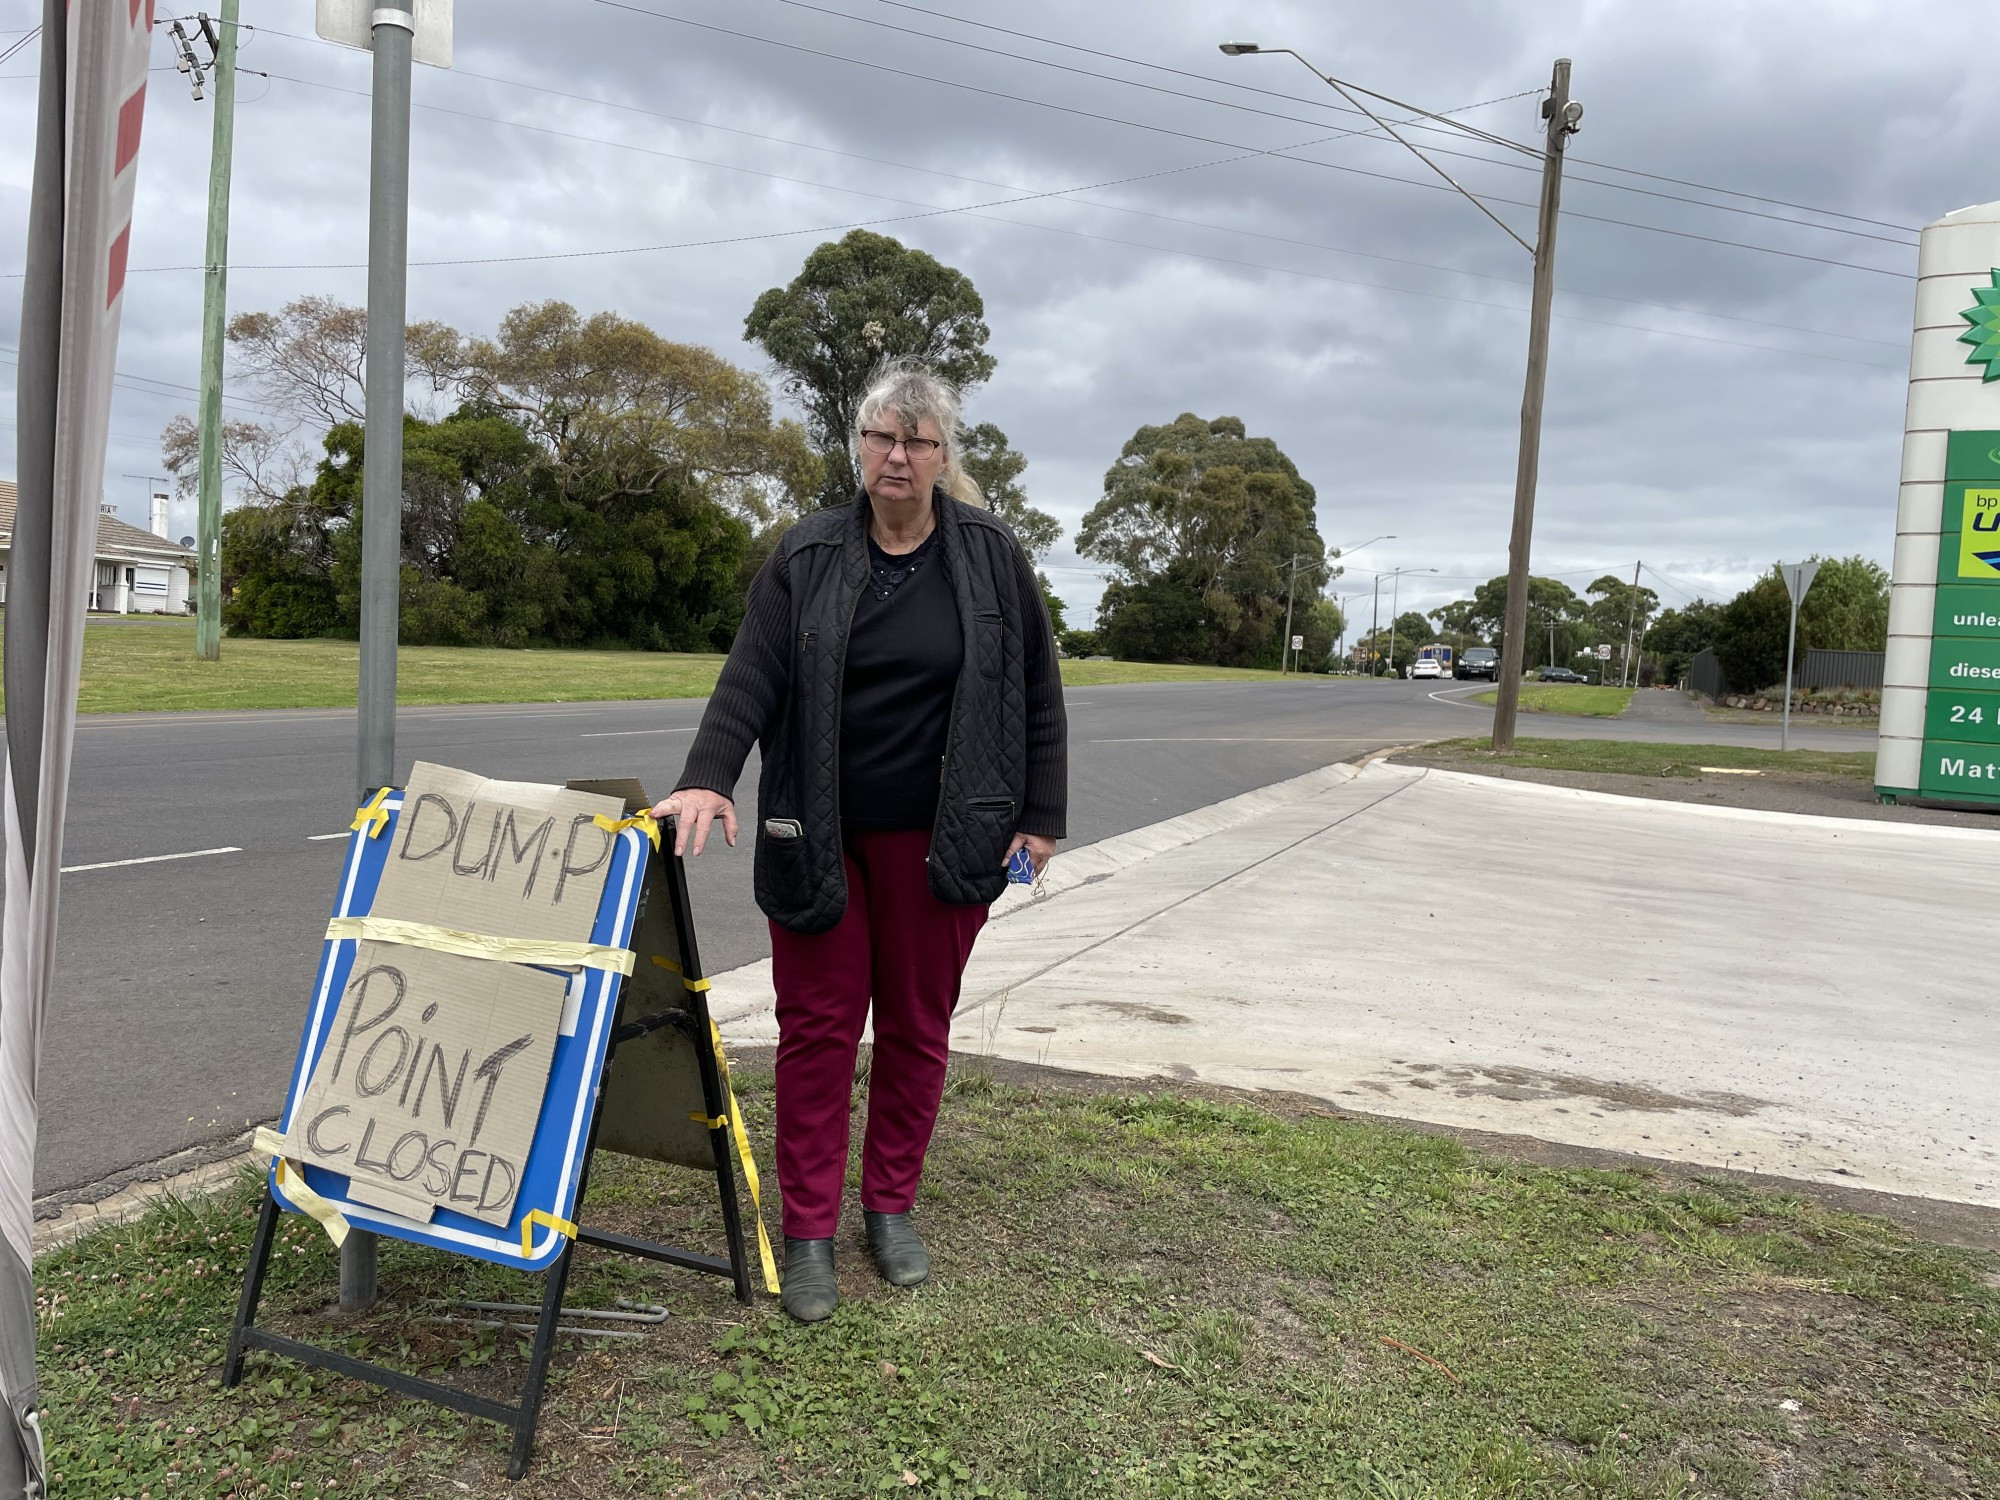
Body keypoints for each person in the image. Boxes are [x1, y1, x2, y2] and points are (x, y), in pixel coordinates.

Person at [652, 359, 1067, 1323]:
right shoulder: (808, 554)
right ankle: (808, 1233)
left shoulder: (993, 556)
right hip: (821, 835)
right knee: (818, 1035)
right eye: (883, 436)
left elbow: (1035, 692)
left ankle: (890, 1209)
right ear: (860, 447)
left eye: (919, 441)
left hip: (945, 841)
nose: (899, 455)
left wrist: (1041, 817)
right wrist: (709, 775)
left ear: (942, 457)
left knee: (918, 1031)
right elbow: (749, 677)